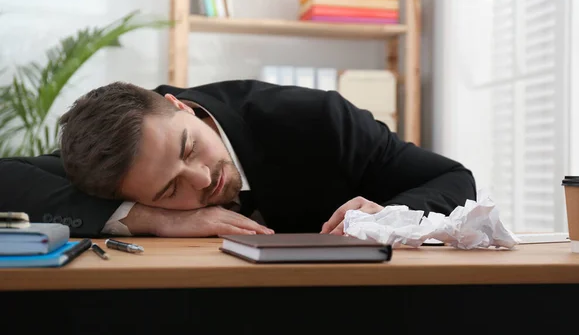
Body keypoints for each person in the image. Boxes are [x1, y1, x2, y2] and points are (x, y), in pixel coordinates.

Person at [0, 79, 477, 238]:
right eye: (170, 190)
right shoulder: (115, 160)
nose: (203, 178)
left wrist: (391, 213)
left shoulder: (315, 118)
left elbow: (453, 178)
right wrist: (151, 219)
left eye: (189, 148)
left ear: (178, 105)